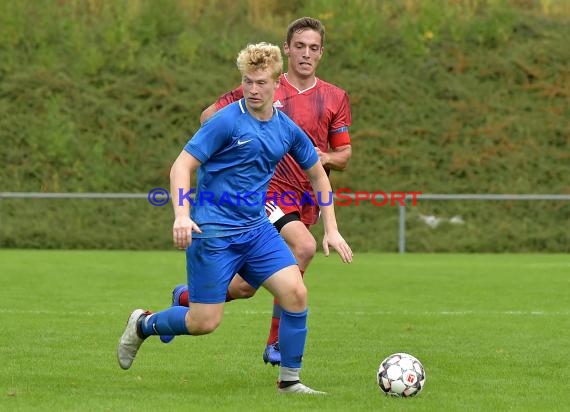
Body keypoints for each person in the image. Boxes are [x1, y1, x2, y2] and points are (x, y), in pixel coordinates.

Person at [117, 42, 353, 395]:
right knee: (203, 322)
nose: (253, 90)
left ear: (277, 85)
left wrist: (331, 229)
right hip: (213, 233)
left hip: (256, 230)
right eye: (247, 82)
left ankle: (289, 382)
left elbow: (318, 174)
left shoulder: (286, 129)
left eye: (260, 83)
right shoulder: (226, 121)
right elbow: (182, 165)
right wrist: (182, 214)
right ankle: (144, 324)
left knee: (295, 292)